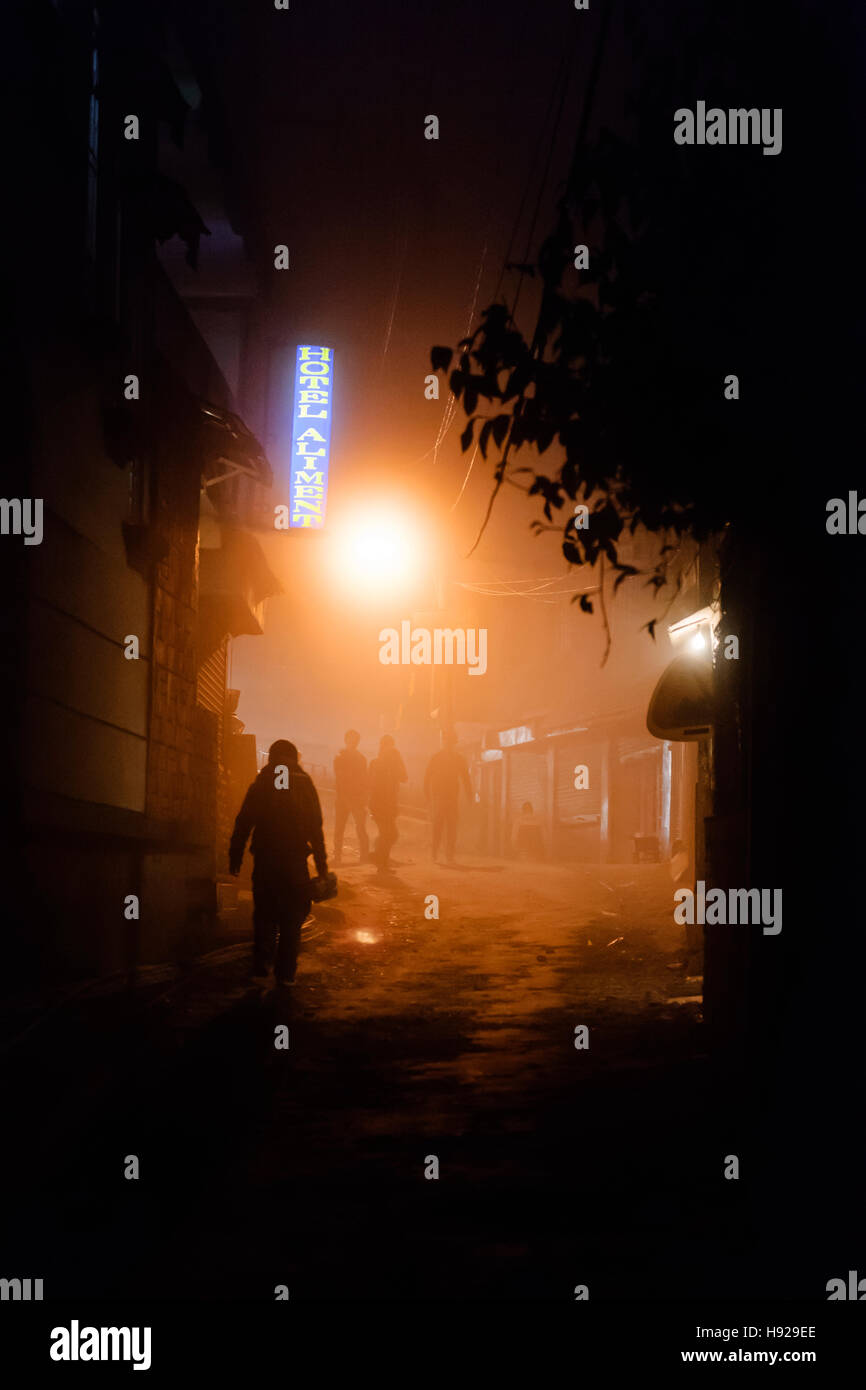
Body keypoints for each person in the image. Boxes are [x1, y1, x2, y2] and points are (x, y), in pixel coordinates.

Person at [229, 739, 328, 985]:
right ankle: (286, 974)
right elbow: (316, 829)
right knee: (292, 918)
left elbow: (244, 821)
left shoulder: (262, 782)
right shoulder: (305, 784)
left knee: (264, 914)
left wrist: (235, 855)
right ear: (295, 758)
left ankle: (261, 965)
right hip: (295, 864)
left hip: (265, 862)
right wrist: (322, 867)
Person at [423, 731, 473, 864]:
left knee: (443, 826)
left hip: (444, 797)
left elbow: (427, 778)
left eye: (449, 742)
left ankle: (440, 854)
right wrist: (470, 797)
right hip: (443, 797)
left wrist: (427, 796)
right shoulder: (455, 758)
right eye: (448, 742)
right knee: (446, 826)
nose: (448, 744)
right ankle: (442, 854)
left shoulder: (439, 757)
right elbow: (466, 780)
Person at [367, 734, 407, 871]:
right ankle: (379, 860)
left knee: (388, 834)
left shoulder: (393, 764)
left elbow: (404, 777)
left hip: (388, 804)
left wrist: (398, 761)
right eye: (387, 747)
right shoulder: (376, 763)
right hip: (379, 804)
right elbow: (371, 784)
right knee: (389, 834)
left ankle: (380, 859)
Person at [333, 729, 369, 865]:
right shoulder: (361, 759)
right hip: (354, 797)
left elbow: (340, 777)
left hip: (346, 797)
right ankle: (363, 857)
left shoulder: (340, 757)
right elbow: (364, 780)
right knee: (359, 827)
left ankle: (338, 857)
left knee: (340, 828)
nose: (352, 742)